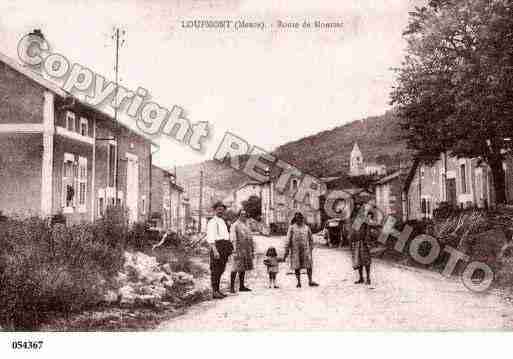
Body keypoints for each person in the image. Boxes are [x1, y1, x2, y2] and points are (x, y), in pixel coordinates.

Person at [283, 212, 319, 288]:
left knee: (309, 265)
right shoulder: (292, 228)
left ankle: (310, 281)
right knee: (297, 266)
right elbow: (288, 239)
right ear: (295, 219)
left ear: (302, 218)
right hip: (296, 250)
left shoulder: (306, 227)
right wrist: (286, 250)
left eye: (300, 218)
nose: (298, 220)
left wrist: (311, 248)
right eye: (297, 218)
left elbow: (311, 239)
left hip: (305, 250)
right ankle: (298, 282)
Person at [206, 201, 233, 299]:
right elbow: (211, 237)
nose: (220, 211)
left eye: (222, 210)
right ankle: (215, 291)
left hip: (224, 247)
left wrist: (229, 249)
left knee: (221, 269)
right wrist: (215, 250)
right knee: (215, 270)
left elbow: (226, 236)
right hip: (217, 246)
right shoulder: (212, 222)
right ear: (214, 210)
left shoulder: (222, 221)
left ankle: (217, 290)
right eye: (218, 210)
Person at [229, 209, 255, 293]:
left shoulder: (246, 225)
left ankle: (241, 286)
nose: (243, 216)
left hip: (246, 249)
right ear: (238, 215)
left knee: (243, 267)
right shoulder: (235, 225)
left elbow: (250, 238)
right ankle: (232, 287)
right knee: (235, 268)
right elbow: (233, 238)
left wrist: (252, 250)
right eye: (242, 214)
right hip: (238, 249)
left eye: (245, 214)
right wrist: (234, 250)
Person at [349, 206, 373, 285]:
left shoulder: (365, 220)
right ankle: (361, 278)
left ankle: (368, 278)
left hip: (363, 242)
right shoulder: (356, 221)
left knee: (366, 261)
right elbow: (353, 232)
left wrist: (367, 241)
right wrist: (351, 241)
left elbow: (368, 231)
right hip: (356, 242)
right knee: (358, 261)